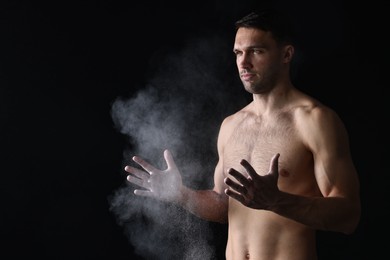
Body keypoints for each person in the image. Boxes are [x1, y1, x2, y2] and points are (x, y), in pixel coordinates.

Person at [124, 8, 361, 260]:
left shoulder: (315, 121)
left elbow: (348, 216)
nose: (243, 62)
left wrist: (277, 201)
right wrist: (182, 195)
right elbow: (224, 207)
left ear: (286, 54)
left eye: (256, 51)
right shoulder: (231, 125)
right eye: (238, 52)